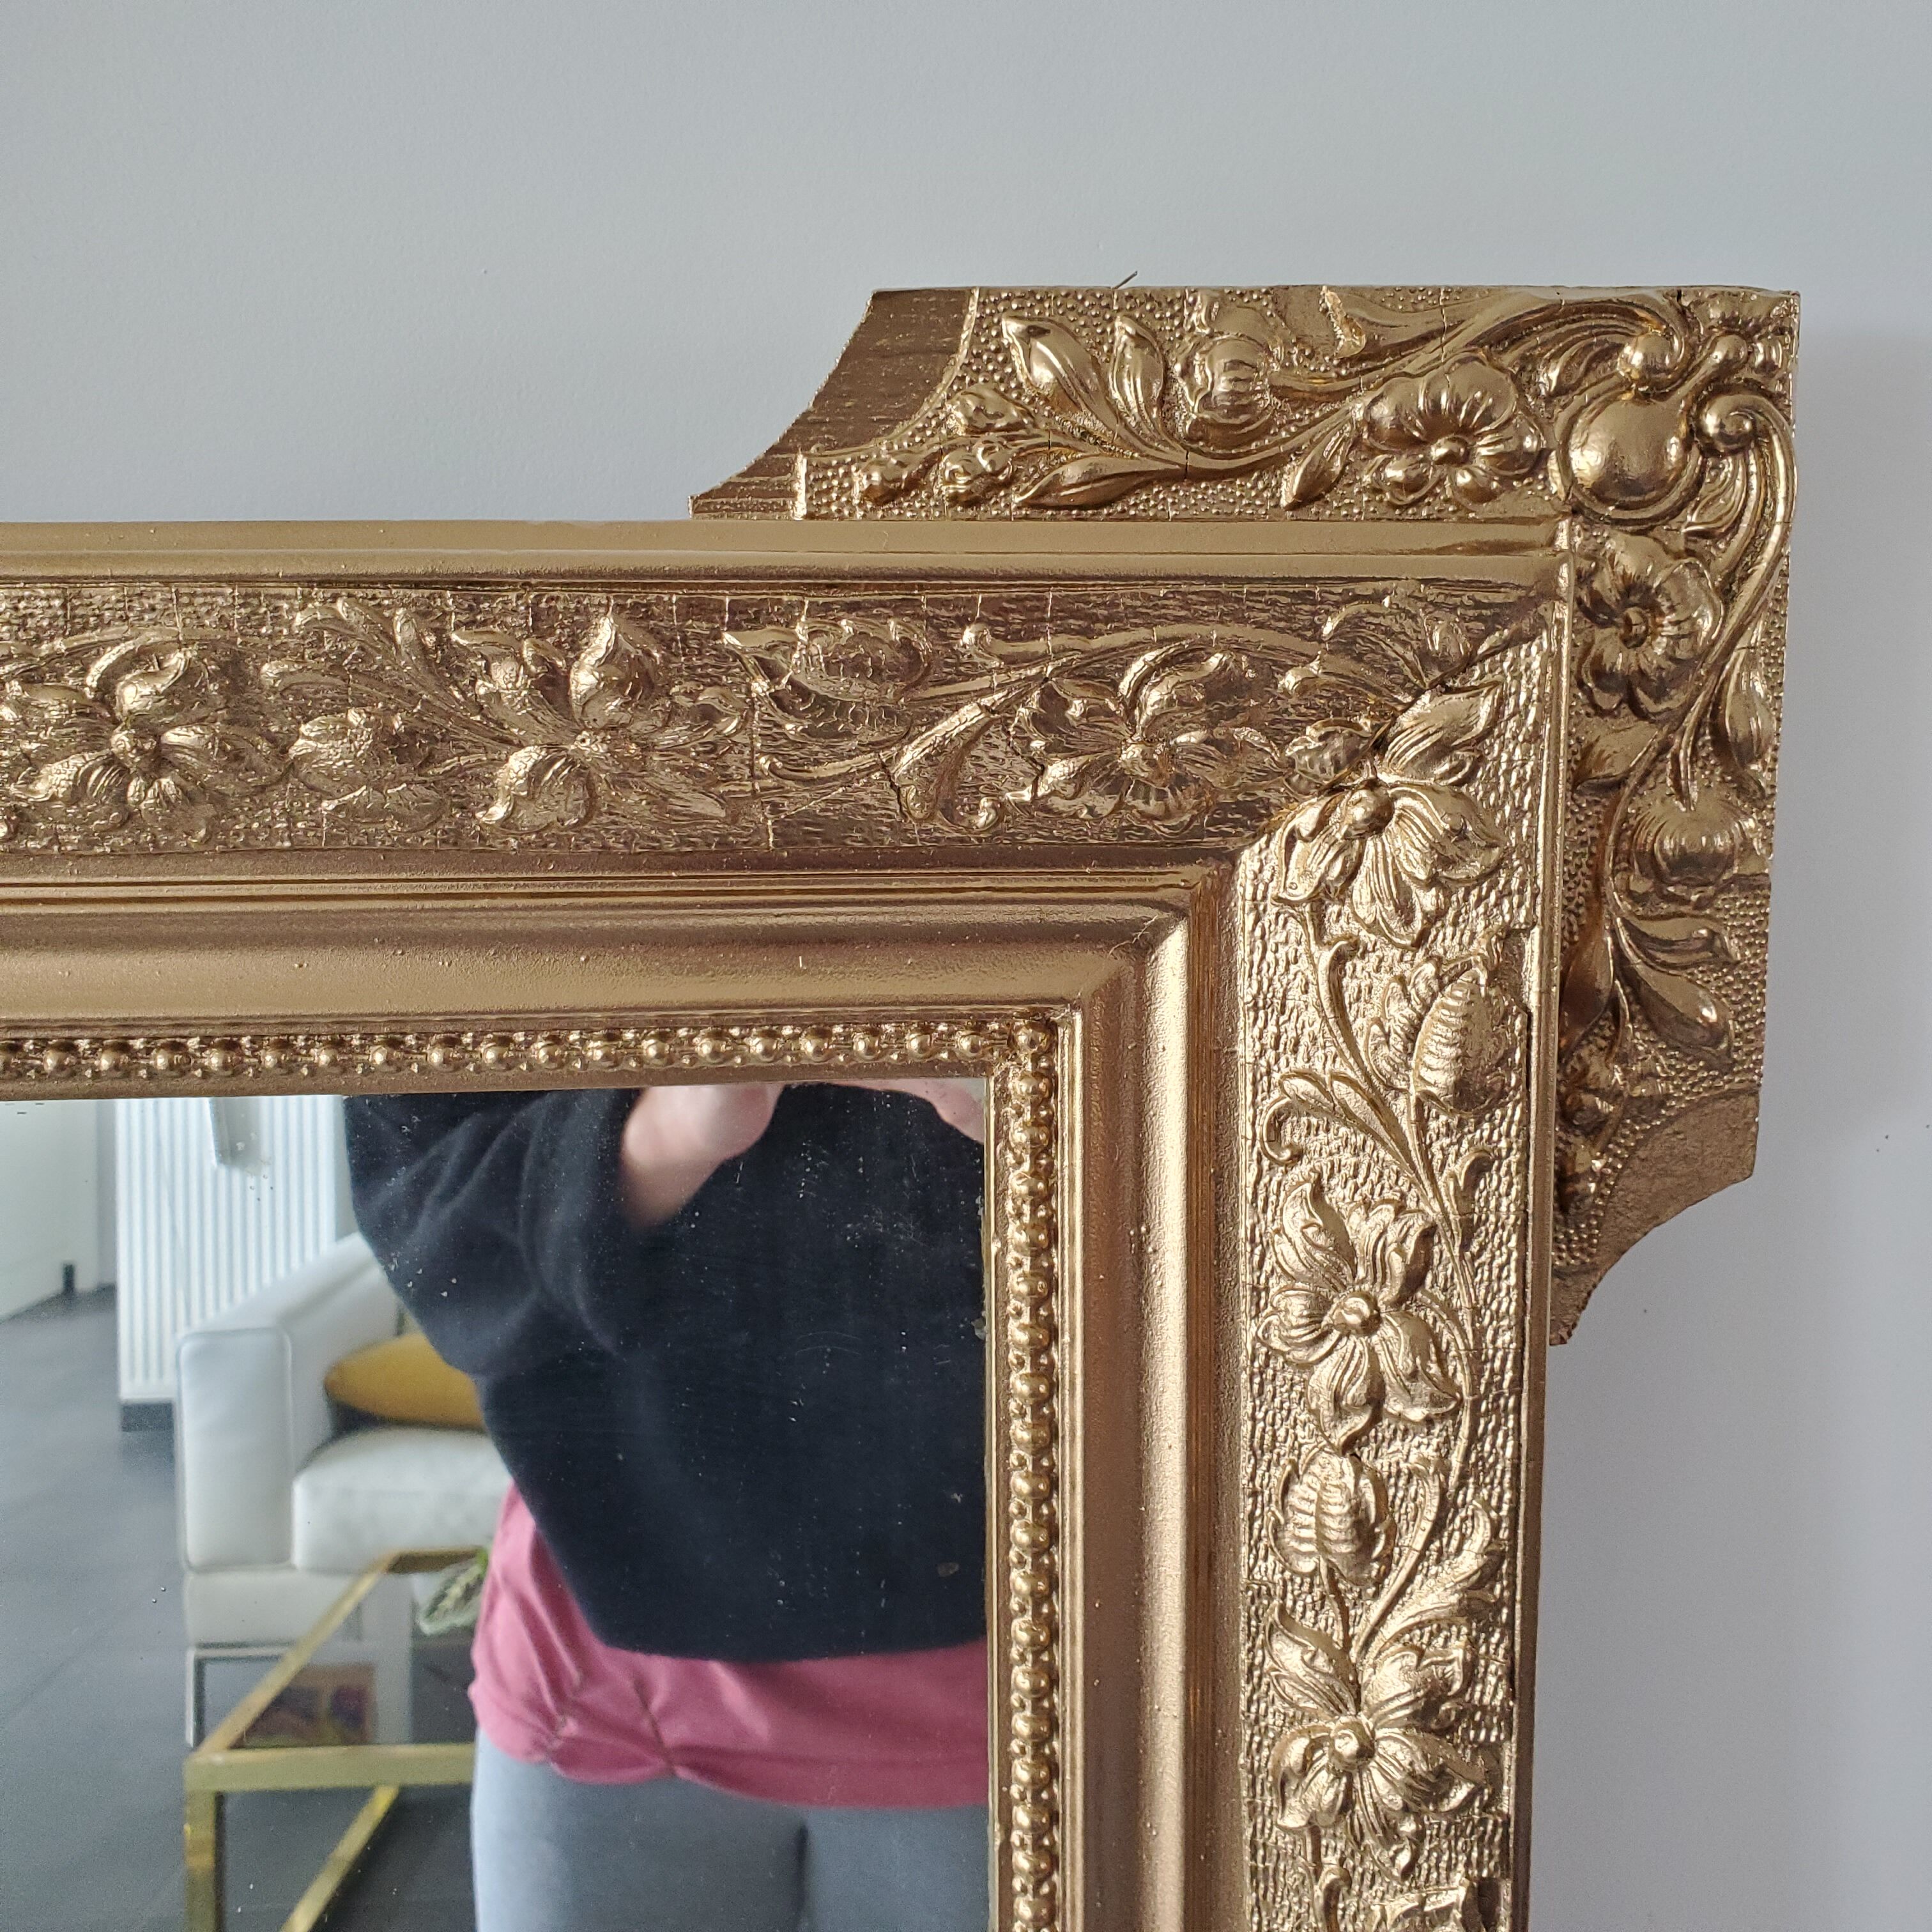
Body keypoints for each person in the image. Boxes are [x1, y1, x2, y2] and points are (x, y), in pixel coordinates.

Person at [343, 1076, 989, 1932]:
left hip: (1029, 1672)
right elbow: (428, 1216)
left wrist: (1096, 1077)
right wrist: (666, 1130)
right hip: (612, 1667)